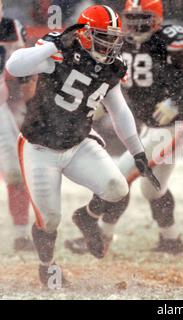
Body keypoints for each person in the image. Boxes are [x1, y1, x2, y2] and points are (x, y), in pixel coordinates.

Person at [6, 4, 159, 287]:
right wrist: (48, 45)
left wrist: (137, 150)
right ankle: (47, 265)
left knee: (117, 188)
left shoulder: (112, 66)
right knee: (49, 220)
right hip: (40, 148)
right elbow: (15, 66)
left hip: (78, 143)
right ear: (85, 34)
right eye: (103, 35)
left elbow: (119, 110)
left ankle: (86, 217)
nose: (110, 42)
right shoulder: (61, 51)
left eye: (113, 36)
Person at [64, 0, 183, 256]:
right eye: (131, 19)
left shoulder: (169, 38)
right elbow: (112, 84)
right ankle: (171, 241)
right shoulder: (120, 43)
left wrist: (178, 101)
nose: (136, 25)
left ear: (156, 19)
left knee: (120, 178)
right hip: (153, 127)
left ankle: (97, 230)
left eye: (143, 18)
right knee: (153, 189)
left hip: (178, 125)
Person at [0, 0, 36, 251]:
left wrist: (33, 107)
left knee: (15, 171)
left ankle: (21, 234)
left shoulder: (10, 27)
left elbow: (24, 69)